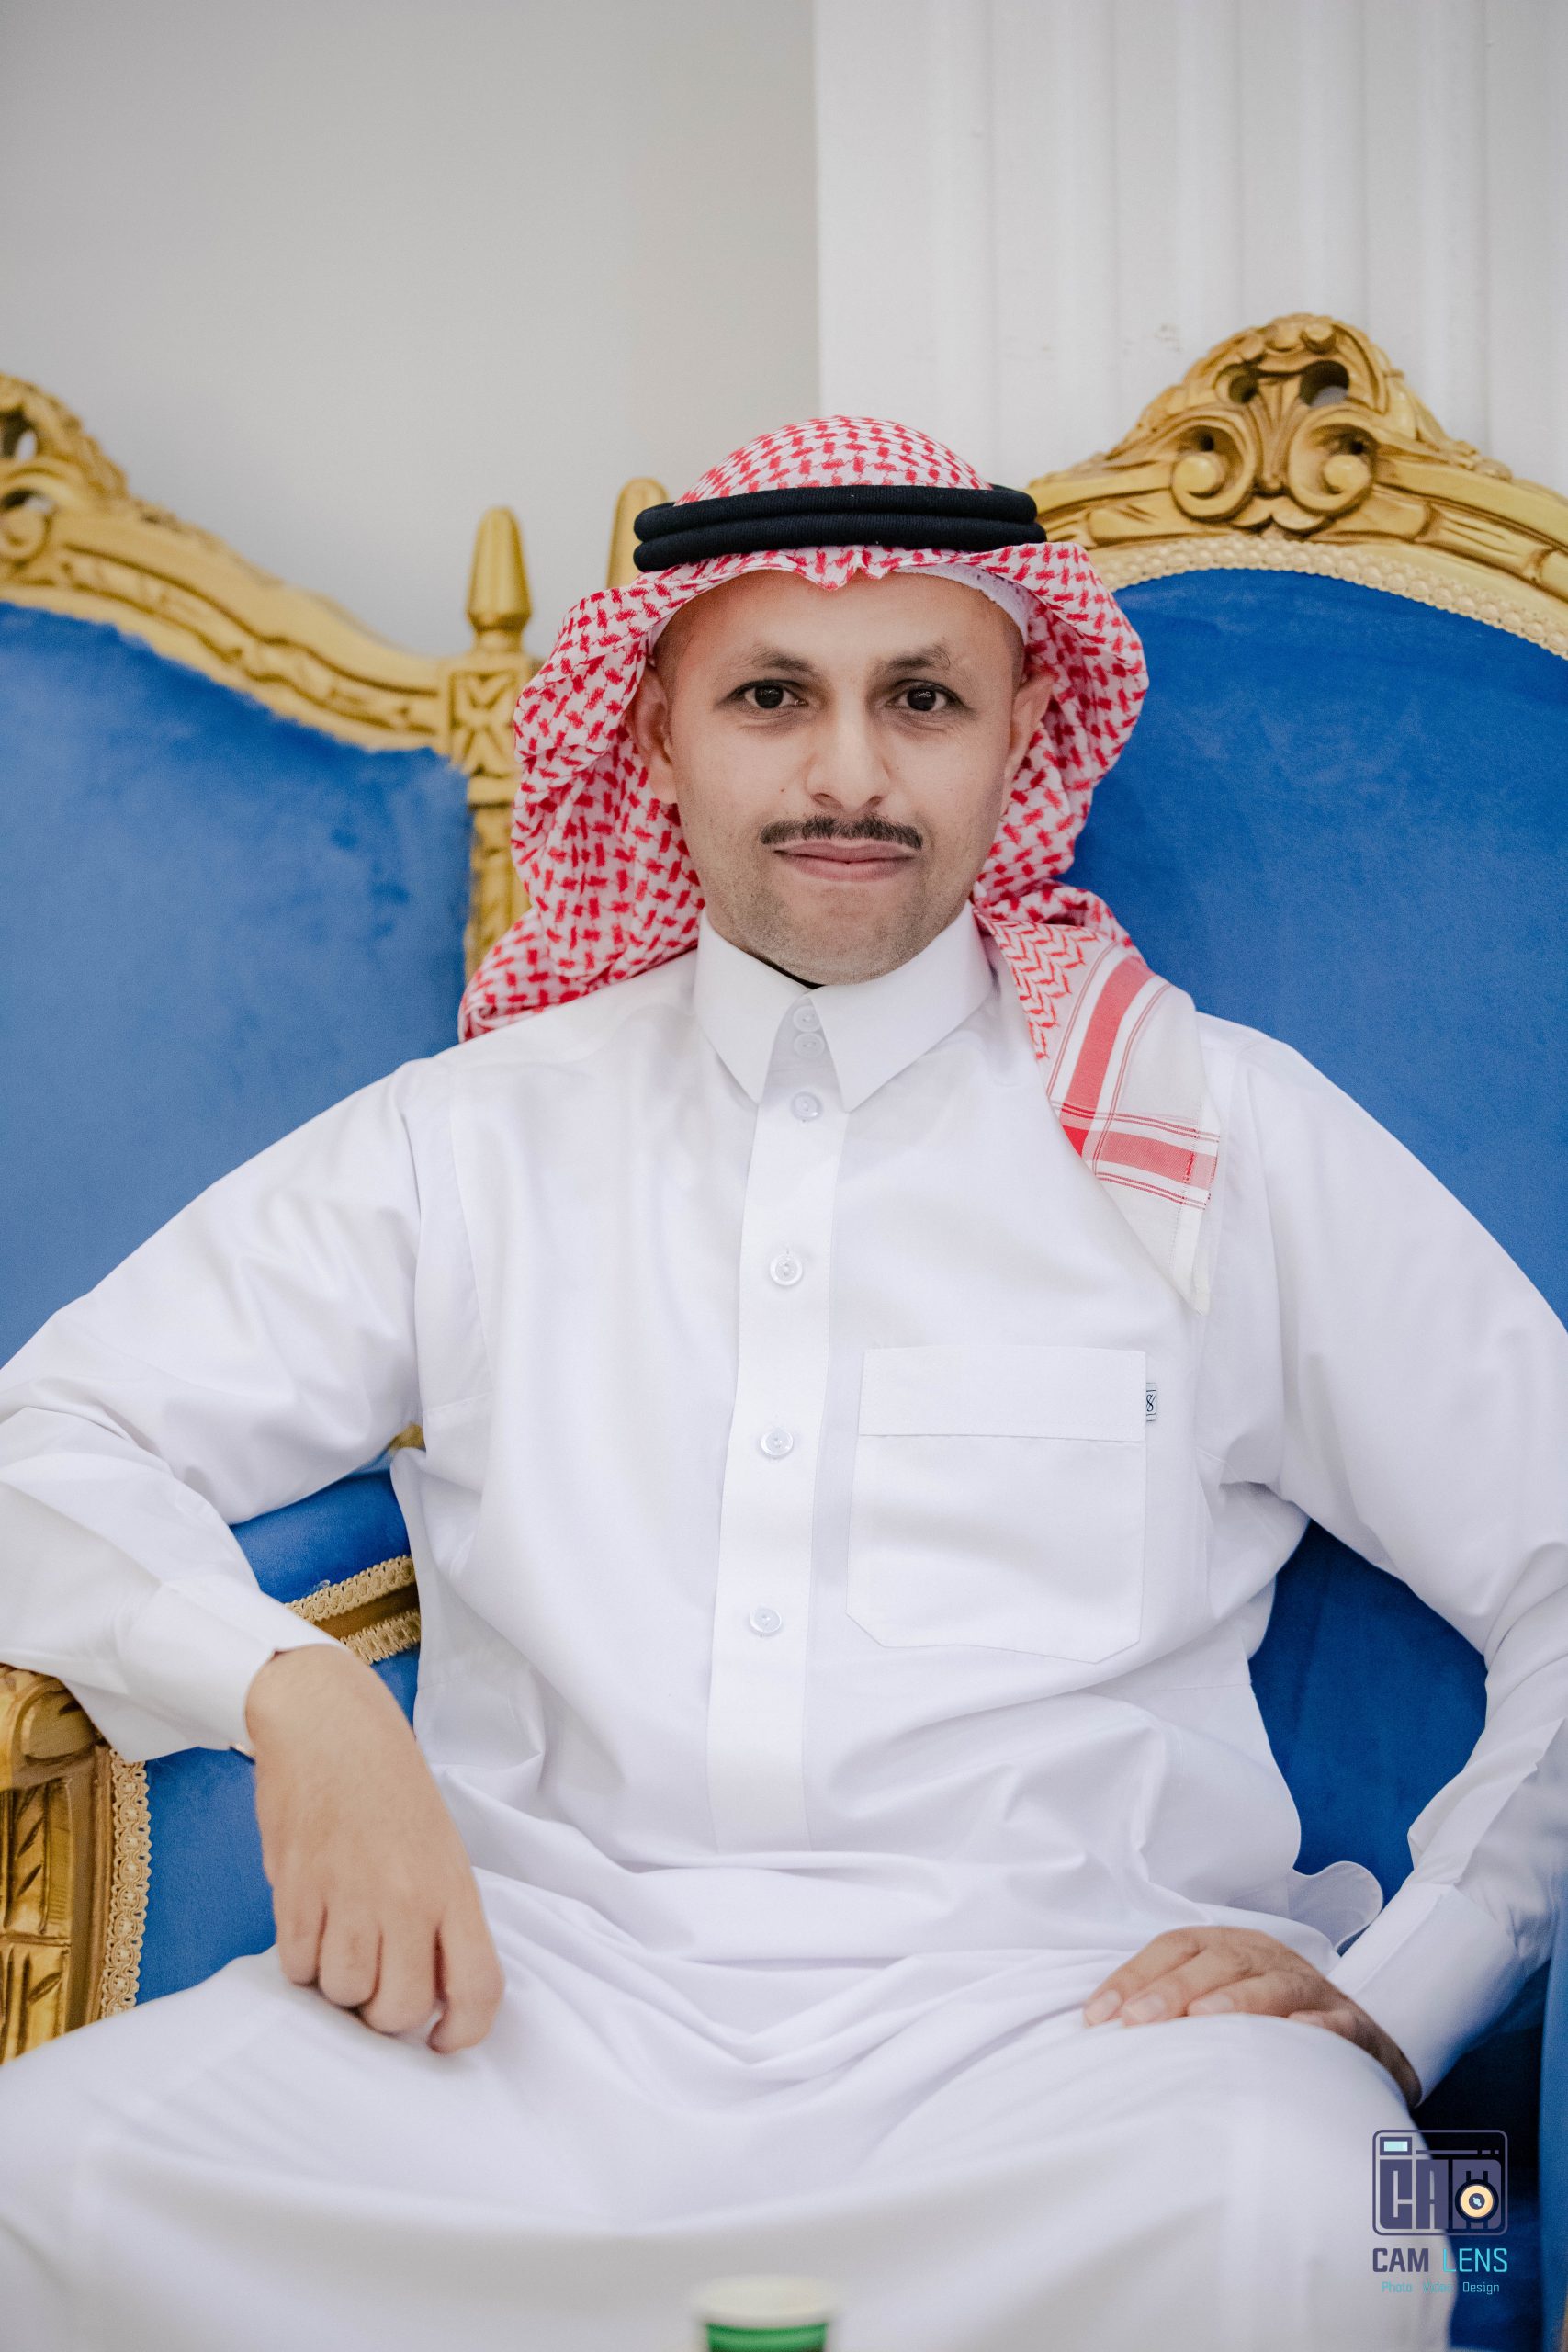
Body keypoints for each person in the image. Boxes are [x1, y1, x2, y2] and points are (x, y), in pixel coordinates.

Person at [0, 416, 1562, 2352]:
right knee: (36, 2182)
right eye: (770, 696)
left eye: (921, 696)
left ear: (1021, 732)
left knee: (1333, 2225)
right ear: (654, 731)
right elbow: (44, 1438)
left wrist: (1406, 1981)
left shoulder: (1203, 1130)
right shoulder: (473, 1139)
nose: (848, 773)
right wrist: (294, 1691)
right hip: (512, 2033)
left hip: (1069, 2050)